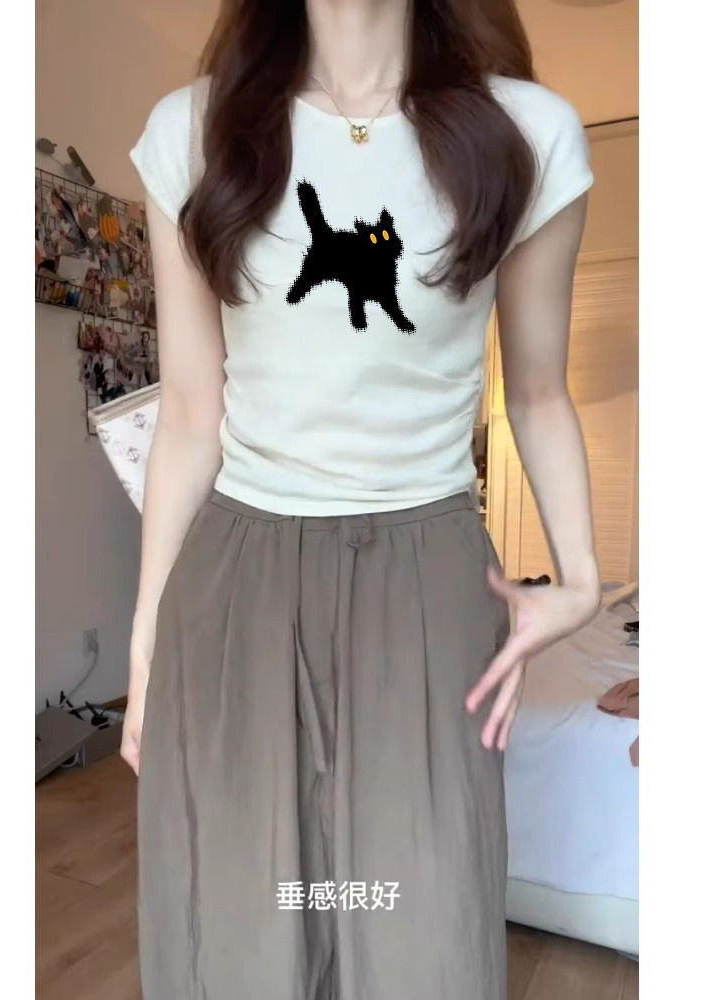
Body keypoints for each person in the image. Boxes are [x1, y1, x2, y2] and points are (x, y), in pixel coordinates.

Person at [124, 1, 602, 997]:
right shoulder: (194, 130)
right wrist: (144, 638)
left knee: (422, 931)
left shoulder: (526, 133)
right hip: (236, 577)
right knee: (241, 931)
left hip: (427, 572)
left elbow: (539, 392)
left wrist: (581, 580)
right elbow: (191, 415)